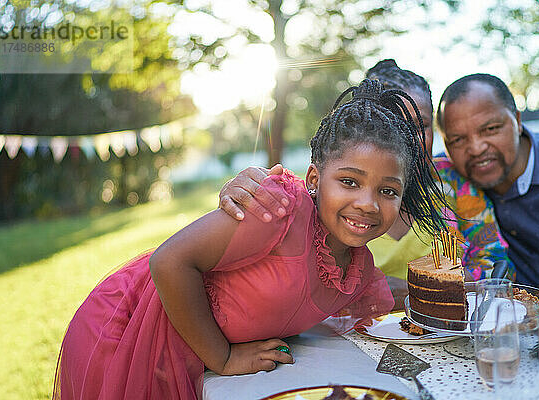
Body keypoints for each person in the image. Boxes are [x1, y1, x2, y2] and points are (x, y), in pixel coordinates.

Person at [53, 79, 450, 400]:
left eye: (388, 191)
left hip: (193, 358)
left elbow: (396, 296)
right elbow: (169, 262)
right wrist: (223, 358)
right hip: (127, 333)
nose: (367, 204)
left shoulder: (356, 271)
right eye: (349, 182)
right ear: (314, 180)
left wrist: (460, 291)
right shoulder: (280, 210)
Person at [219, 60, 514, 294]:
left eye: (421, 124)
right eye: (394, 123)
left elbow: (496, 258)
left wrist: (430, 291)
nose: (408, 138)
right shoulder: (333, 197)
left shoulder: (452, 184)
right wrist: (244, 189)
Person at [436, 73, 539, 289]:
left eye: (491, 129)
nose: (476, 148)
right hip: (514, 317)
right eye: (458, 139)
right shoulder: (450, 182)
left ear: (517, 120)